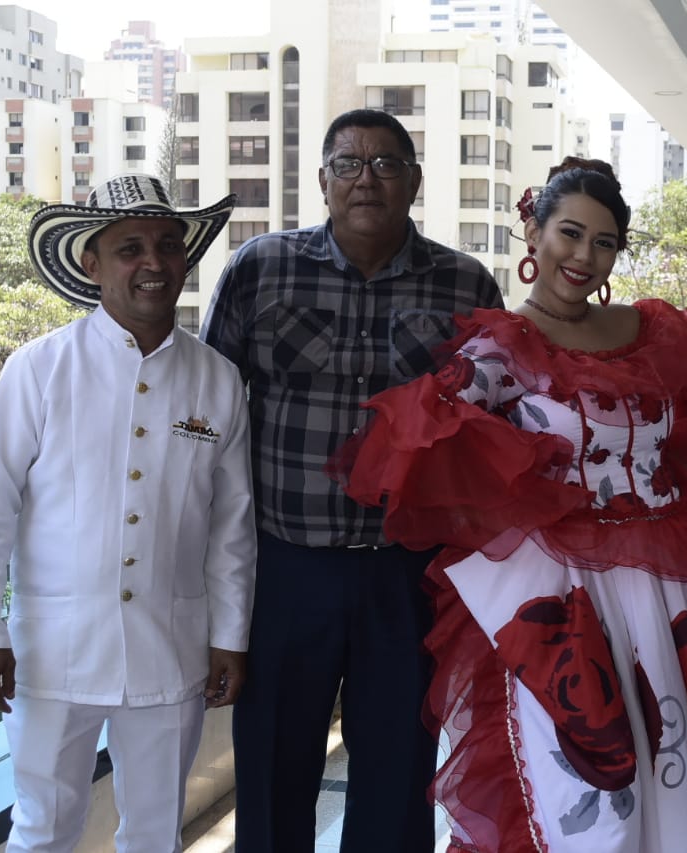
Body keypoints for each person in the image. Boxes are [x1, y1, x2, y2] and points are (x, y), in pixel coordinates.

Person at [332, 157, 687, 851]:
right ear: (533, 233)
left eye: (605, 241)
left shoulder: (653, 334)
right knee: (588, 786)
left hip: (666, 590)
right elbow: (422, 447)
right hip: (563, 601)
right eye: (569, 232)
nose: (584, 255)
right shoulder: (499, 349)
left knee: (677, 763)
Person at [199, 108, 504, 852]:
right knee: (271, 772)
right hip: (285, 570)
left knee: (400, 778)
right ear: (324, 180)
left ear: (415, 181)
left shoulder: (466, 285)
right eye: (349, 164)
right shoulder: (260, 268)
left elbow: (498, 426)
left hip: (409, 574)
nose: (366, 178)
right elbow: (204, 413)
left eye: (386, 164)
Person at [0, 174, 258, 853]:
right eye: (129, 248)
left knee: (154, 834)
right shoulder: (37, 370)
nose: (153, 263)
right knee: (41, 829)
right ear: (91, 263)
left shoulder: (218, 379)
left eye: (167, 245)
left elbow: (231, 527)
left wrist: (230, 635)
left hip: (170, 647)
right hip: (52, 651)